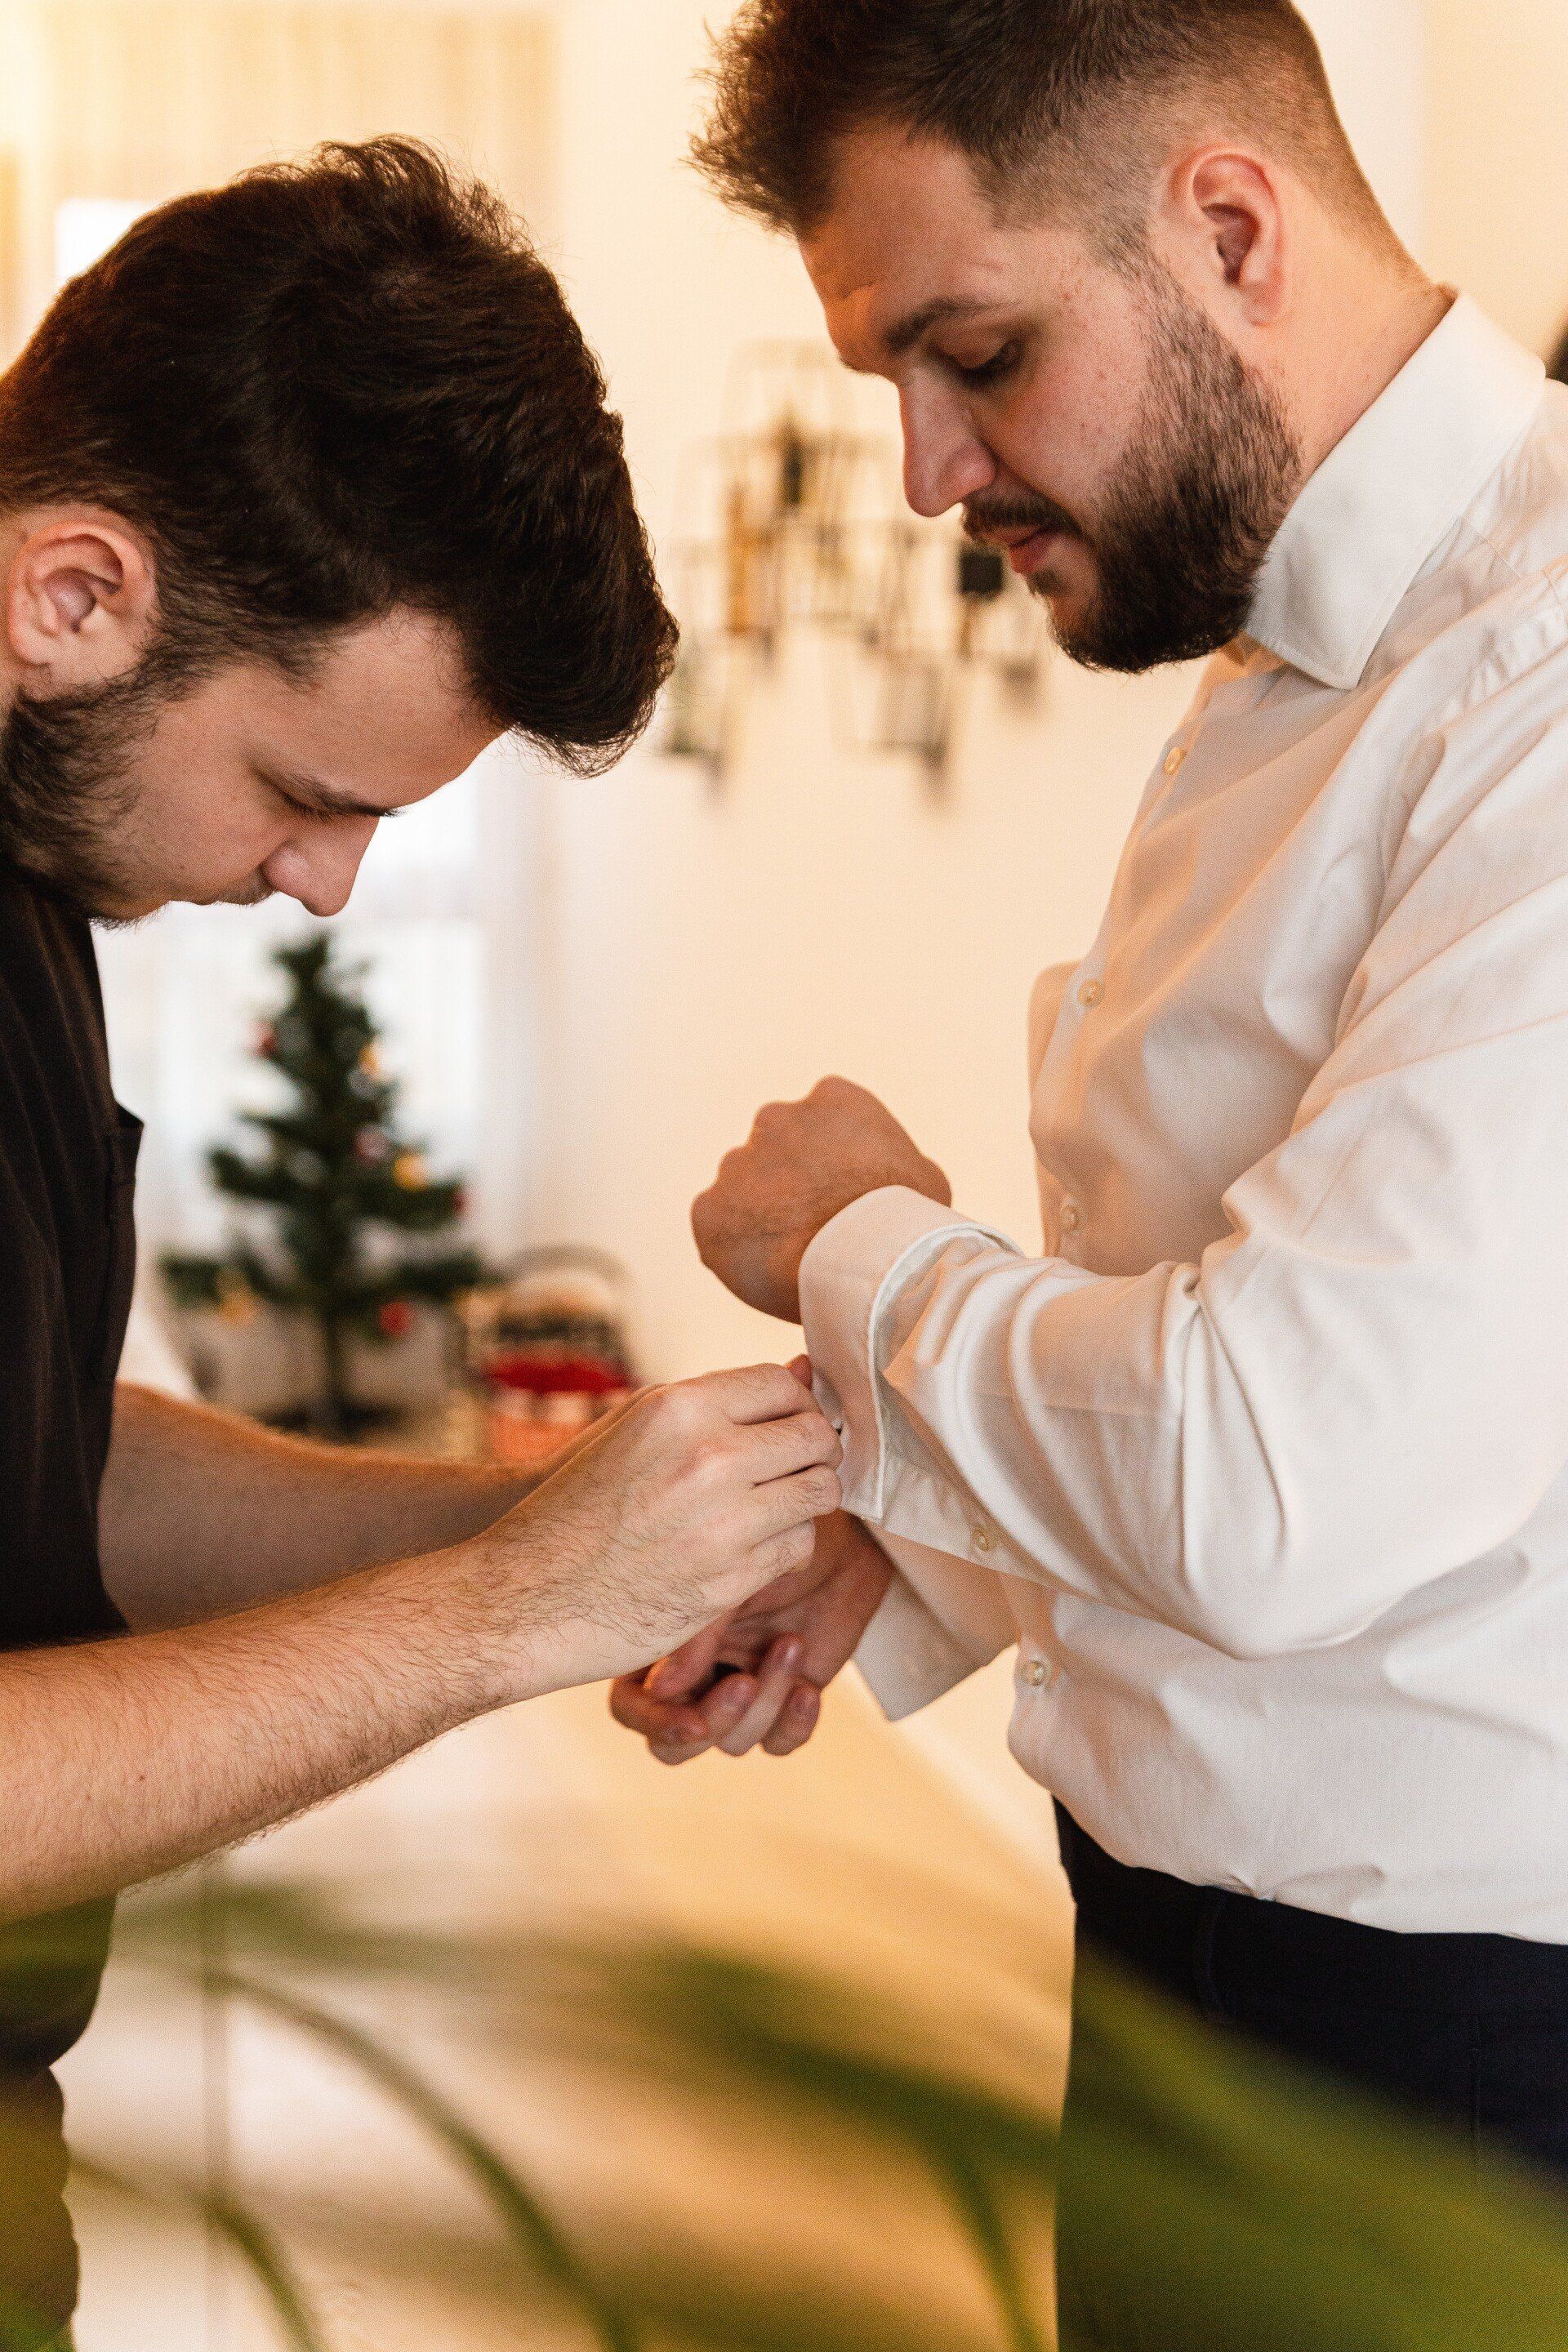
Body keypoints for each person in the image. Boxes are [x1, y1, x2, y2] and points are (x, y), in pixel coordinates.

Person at [612, 0, 1568, 2283]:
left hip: (1443, 2054)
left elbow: (1277, 1479)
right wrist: (912, 1546)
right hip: (1176, 1969)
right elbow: (1253, 1314)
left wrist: (861, 1246)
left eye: (980, 353)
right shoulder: (1286, 660)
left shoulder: (1539, 693)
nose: (930, 475)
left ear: (1228, 226)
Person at [0, 136, 850, 2348]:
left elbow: (45, 1458)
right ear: (74, 595)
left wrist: (549, 1522)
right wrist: (495, 1617)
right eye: (305, 793)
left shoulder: (35, 857)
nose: (321, 889)